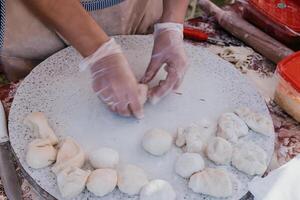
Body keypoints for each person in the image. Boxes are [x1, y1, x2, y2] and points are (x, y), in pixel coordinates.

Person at [0, 0, 189, 118]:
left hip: (134, 6)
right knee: (41, 108)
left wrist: (171, 22)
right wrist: (101, 54)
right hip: (39, 18)